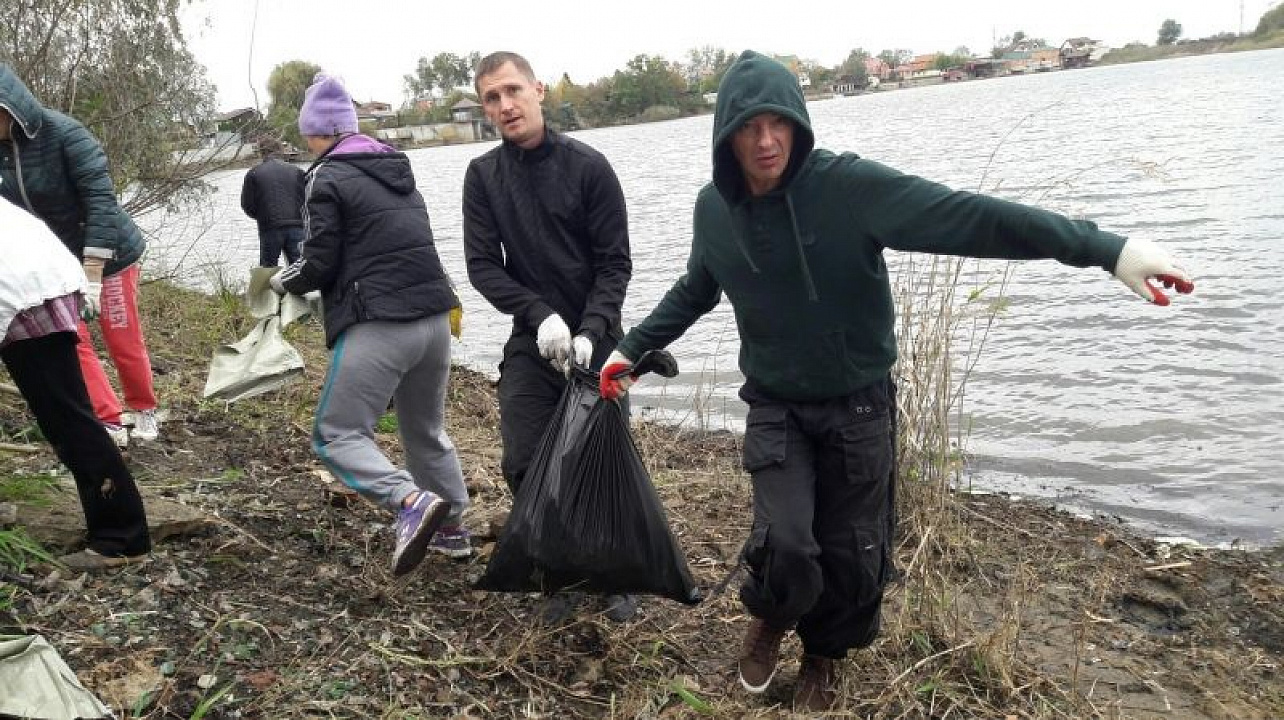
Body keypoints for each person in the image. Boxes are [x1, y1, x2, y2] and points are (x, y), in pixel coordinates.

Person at [598, 51, 1194, 712]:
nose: (765, 141)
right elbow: (697, 288)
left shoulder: (849, 189)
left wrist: (1105, 249)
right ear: (726, 134)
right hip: (777, 406)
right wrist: (630, 349)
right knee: (788, 543)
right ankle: (771, 616)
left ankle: (825, 657)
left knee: (855, 554)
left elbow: (970, 216)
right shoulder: (715, 210)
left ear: (798, 124)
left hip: (859, 406)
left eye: (778, 123)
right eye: (747, 127)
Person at [270, 73, 469, 576]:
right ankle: (452, 531)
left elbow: (318, 262)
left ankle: (409, 502)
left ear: (320, 132)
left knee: (336, 435)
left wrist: (279, 282)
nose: (305, 144)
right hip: (434, 320)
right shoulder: (398, 169)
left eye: (307, 135)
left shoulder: (324, 177)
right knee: (425, 430)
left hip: (380, 322)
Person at [463, 51, 635, 623]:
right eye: (492, 97)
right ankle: (558, 572)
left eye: (513, 90)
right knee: (523, 457)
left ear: (538, 90)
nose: (505, 105)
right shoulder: (483, 177)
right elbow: (484, 266)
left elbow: (615, 264)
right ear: (486, 109)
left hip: (599, 337)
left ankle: (612, 576)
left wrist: (591, 328)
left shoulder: (591, 167)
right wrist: (540, 317)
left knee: (601, 459)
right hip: (533, 339)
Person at [0, 63, 160, 447]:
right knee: (74, 339)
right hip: (54, 264)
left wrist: (93, 274)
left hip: (110, 254)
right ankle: (108, 419)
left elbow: (102, 203)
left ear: (9, 108)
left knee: (121, 336)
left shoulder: (65, 133)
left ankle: (144, 408)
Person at [0, 195, 151, 572]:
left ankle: (122, 538)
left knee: (67, 418)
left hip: (24, 291)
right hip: (36, 275)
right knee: (66, 414)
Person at [241, 142, 306, 267]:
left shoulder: (254, 173)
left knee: (267, 268)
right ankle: (297, 286)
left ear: (261, 152)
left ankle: (268, 286)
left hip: (269, 226)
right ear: (280, 151)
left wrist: (262, 216)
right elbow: (307, 198)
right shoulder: (297, 171)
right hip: (297, 225)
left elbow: (247, 204)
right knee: (299, 268)